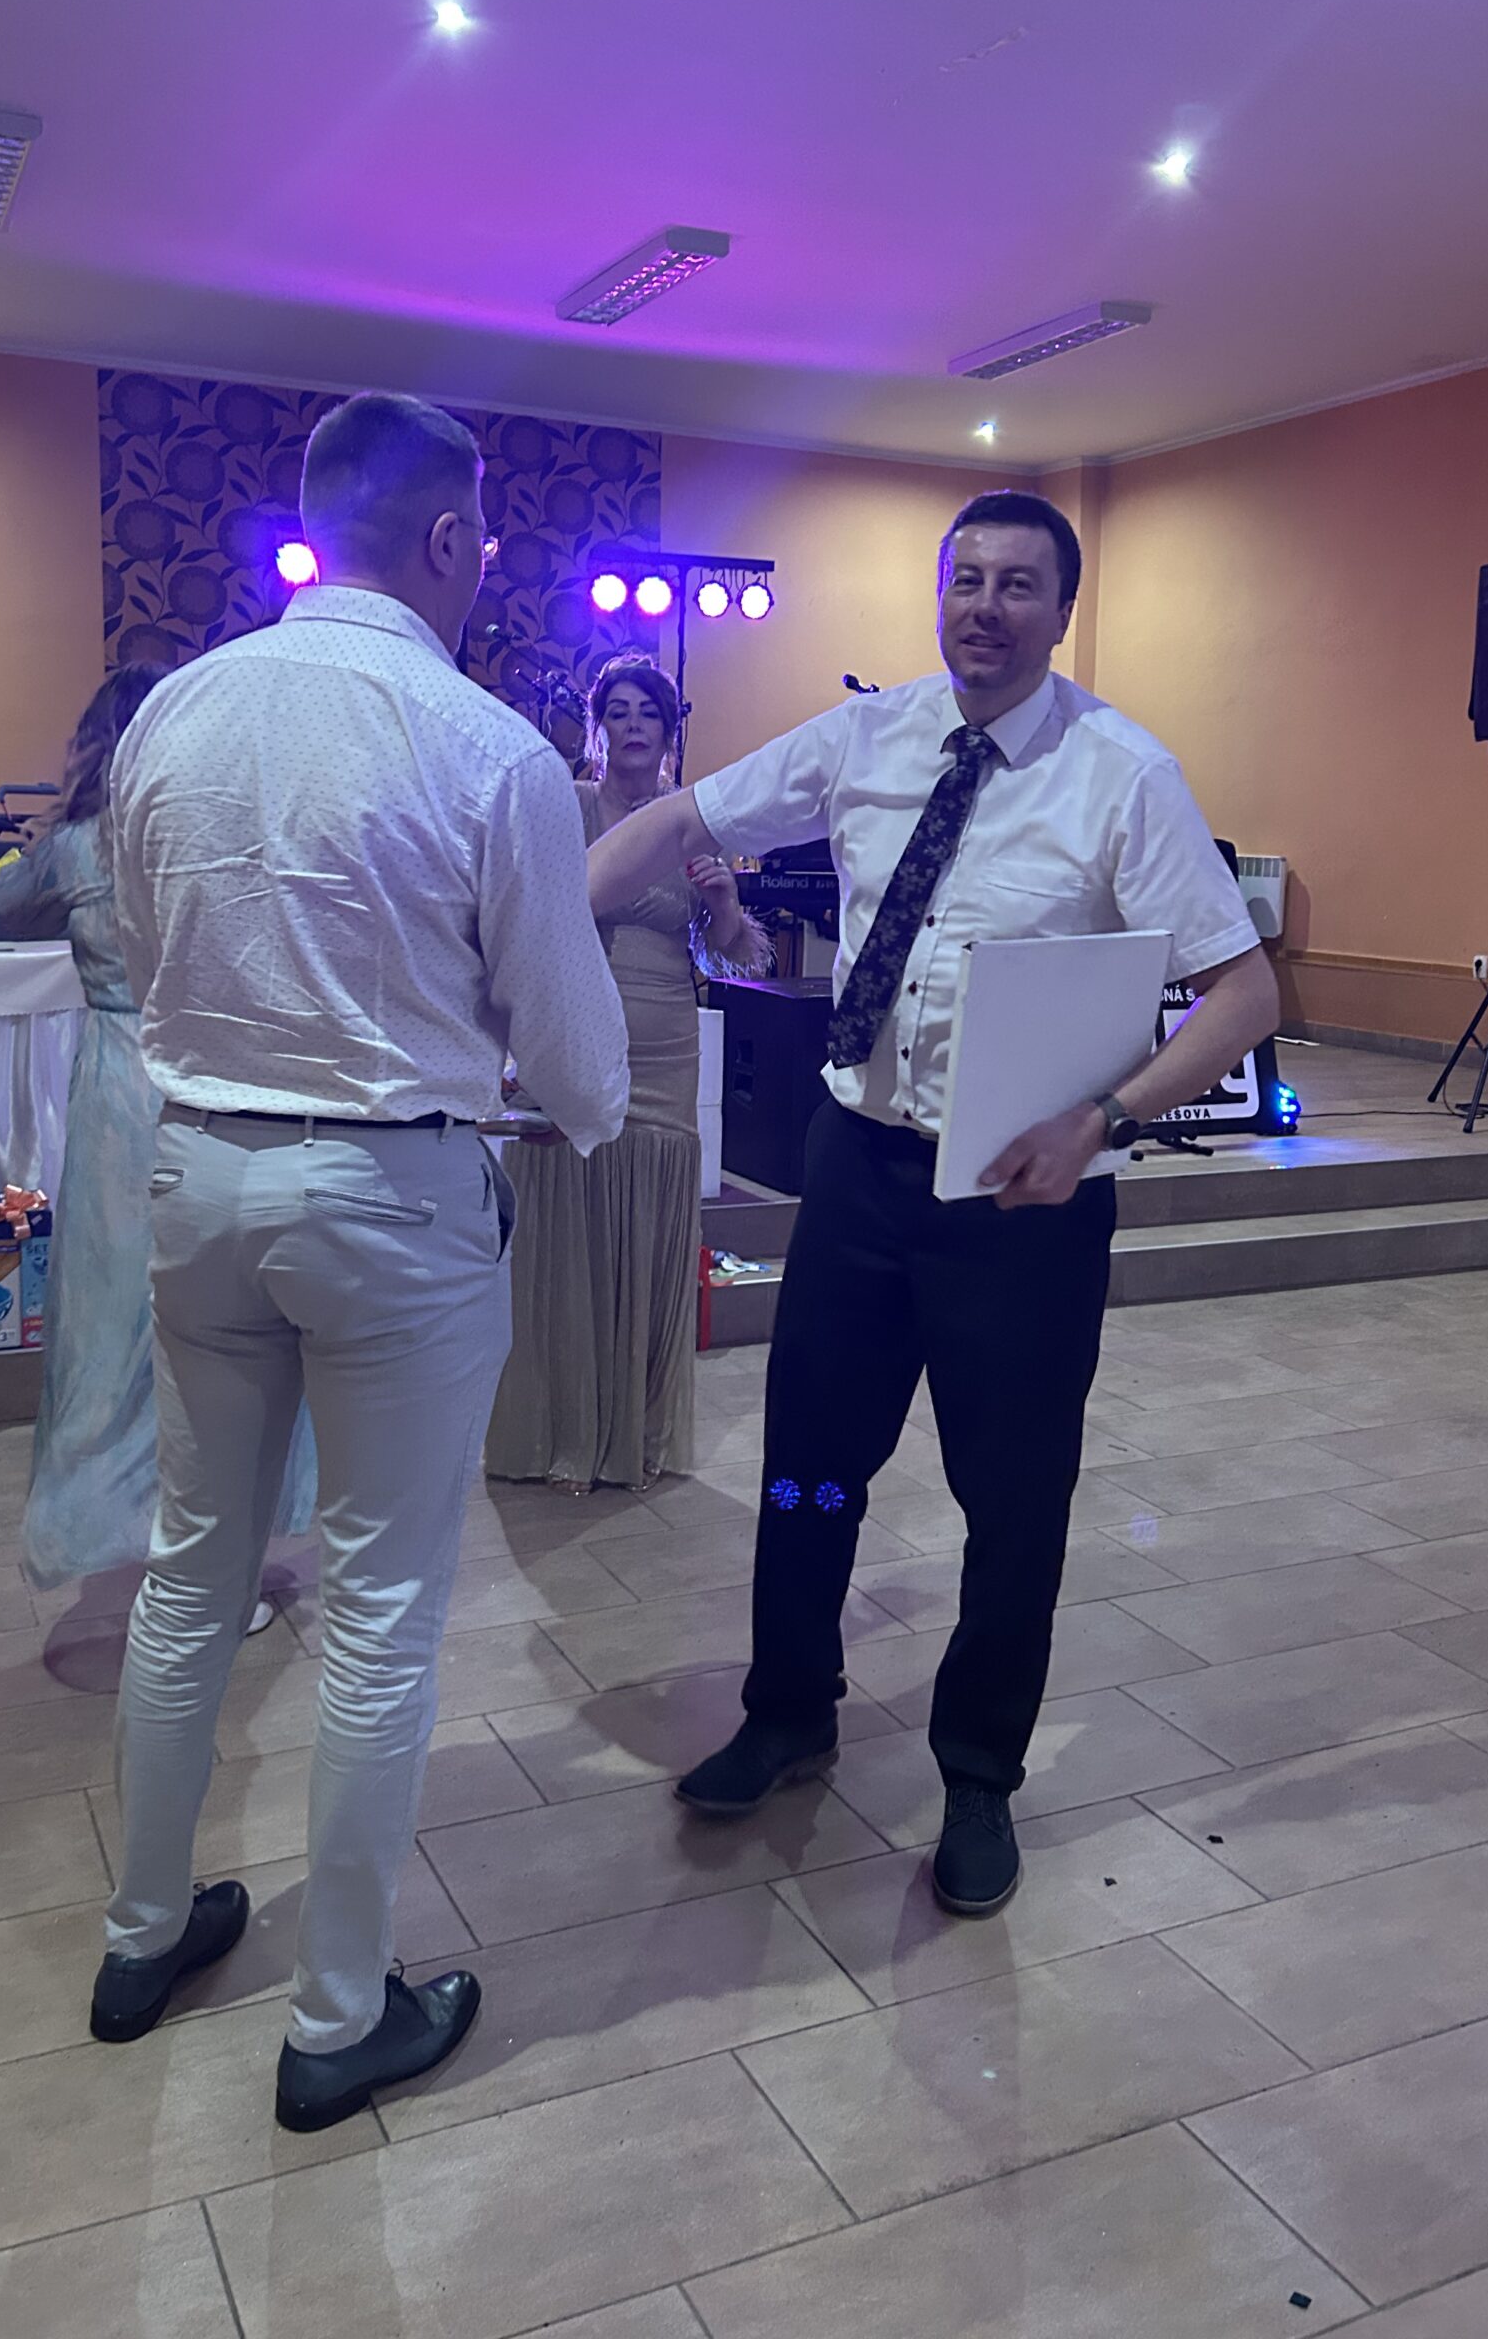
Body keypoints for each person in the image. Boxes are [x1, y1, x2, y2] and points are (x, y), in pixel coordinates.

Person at [585, 489, 1278, 1920]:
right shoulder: (868, 737)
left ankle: (978, 1773)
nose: (985, 607)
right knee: (809, 1462)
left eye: (1019, 584)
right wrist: (525, 938)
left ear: (1061, 611)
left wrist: (1105, 1121)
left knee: (1011, 1498)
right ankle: (789, 1708)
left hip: (1026, 1199)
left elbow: (1245, 992)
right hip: (860, 1165)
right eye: (967, 579)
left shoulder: (1123, 774)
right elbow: (679, 819)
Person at [93, 391, 628, 2128]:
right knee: (384, 1609)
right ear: (455, 539)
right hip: (393, 1195)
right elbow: (577, 1054)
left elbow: (149, 951)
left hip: (199, 1169)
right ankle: (335, 2019)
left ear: (317, 524)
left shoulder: (176, 708)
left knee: (192, 1573)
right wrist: (575, 1110)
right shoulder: (489, 746)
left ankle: (141, 1935)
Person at [0, 666, 315, 1619]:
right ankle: (218, 1557)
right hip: (210, 1078)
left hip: (113, 1098)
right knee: (223, 1324)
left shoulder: (75, 848)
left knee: (111, 1323)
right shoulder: (211, 837)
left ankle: (126, 1538)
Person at [487, 653, 770, 1493]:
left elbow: (735, 957)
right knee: (564, 1232)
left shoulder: (692, 819)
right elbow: (522, 914)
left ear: (669, 729)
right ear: (598, 727)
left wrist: (722, 905)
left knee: (648, 1234)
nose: (635, 724)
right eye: (619, 711)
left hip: (664, 1044)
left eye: (649, 711)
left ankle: (636, 1430)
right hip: (572, 1034)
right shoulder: (568, 807)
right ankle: (565, 1432)